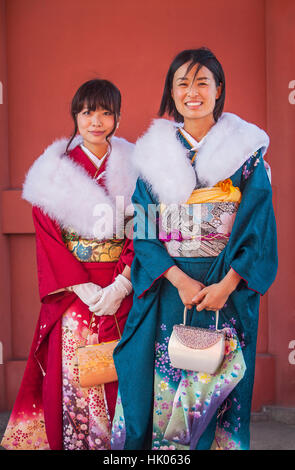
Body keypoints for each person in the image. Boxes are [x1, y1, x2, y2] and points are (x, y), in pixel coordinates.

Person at [111, 48, 278, 450]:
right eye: (182, 83)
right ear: (172, 91)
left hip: (227, 290)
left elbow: (258, 225)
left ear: (219, 89)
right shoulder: (153, 155)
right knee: (160, 391)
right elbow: (145, 229)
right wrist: (177, 278)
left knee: (218, 395)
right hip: (170, 290)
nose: (192, 92)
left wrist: (229, 283)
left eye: (202, 82)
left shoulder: (246, 154)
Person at [1, 79, 137, 450]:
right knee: (75, 373)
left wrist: (123, 283)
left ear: (118, 118)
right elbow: (47, 233)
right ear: (75, 116)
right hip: (75, 289)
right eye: (87, 111)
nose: (96, 121)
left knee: (122, 369)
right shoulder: (55, 170)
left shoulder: (134, 167)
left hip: (121, 284)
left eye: (106, 112)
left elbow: (143, 229)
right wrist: (78, 284)